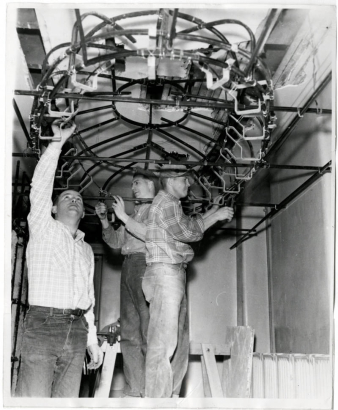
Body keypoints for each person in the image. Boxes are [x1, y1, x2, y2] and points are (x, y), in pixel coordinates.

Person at [16, 120, 103, 398]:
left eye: (78, 198)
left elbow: (88, 298)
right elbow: (40, 187)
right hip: (44, 324)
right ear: (53, 207)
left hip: (77, 330)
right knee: (33, 399)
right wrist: (57, 144)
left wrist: (92, 341)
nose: (74, 200)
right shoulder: (43, 227)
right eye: (67, 196)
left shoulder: (86, 249)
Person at [143, 165, 234, 398]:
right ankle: (157, 403)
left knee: (166, 343)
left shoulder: (166, 204)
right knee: (163, 346)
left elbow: (186, 227)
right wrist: (215, 216)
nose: (189, 184)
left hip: (166, 274)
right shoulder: (168, 202)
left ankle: (164, 398)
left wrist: (211, 211)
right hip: (166, 274)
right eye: (184, 180)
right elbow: (189, 234)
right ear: (171, 180)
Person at [95, 168, 159, 398]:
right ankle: (134, 390)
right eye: (132, 184)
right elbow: (115, 241)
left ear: (152, 186)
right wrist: (104, 220)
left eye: (138, 183)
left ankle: (153, 391)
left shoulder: (158, 209)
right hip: (128, 266)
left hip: (146, 265)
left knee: (147, 330)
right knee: (130, 333)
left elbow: (152, 236)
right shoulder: (136, 213)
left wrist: (123, 216)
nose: (133, 188)